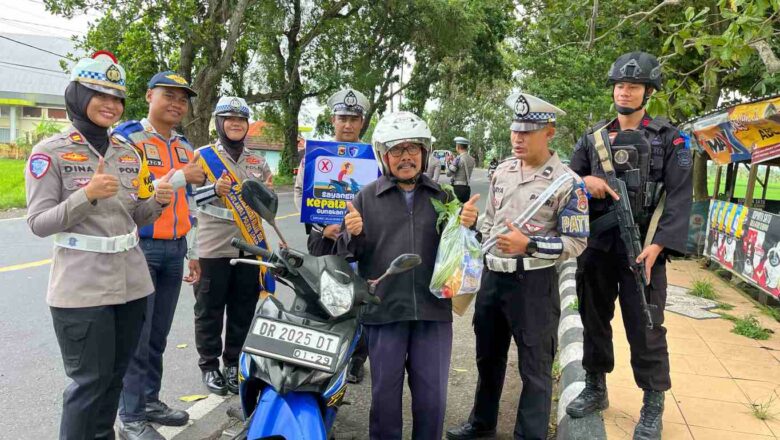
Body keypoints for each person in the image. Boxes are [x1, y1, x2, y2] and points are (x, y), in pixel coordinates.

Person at [25, 52, 174, 440]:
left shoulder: (128, 151)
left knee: (114, 379)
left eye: (117, 98)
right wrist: (85, 196)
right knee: (88, 385)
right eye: (99, 94)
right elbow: (39, 224)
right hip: (82, 288)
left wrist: (157, 201)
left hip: (132, 284)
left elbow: (135, 217)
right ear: (77, 95)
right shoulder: (50, 152)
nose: (111, 105)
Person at [565, 52, 692, 440]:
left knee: (647, 327)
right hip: (599, 246)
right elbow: (566, 182)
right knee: (593, 320)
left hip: (644, 251)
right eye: (620, 85)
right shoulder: (593, 138)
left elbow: (680, 196)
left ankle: (652, 405)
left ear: (648, 92)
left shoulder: (671, 138)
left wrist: (659, 246)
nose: (625, 91)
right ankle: (595, 386)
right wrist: (586, 181)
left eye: (633, 86)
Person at [447, 93, 589, 440]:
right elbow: (491, 226)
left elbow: (577, 242)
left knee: (535, 367)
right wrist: (470, 222)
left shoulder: (568, 183)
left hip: (534, 284)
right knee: (488, 358)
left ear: (549, 132)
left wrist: (531, 244)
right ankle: (482, 423)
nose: (518, 138)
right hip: (493, 279)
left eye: (528, 132)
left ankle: (529, 435)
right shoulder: (503, 172)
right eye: (515, 131)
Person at [338, 111, 479, 440]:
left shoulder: (443, 197)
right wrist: (352, 234)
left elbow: (463, 253)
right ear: (383, 156)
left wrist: (470, 226)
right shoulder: (366, 197)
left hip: (433, 313)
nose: (406, 157)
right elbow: (348, 254)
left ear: (424, 153)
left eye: (413, 149)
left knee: (432, 401)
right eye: (397, 150)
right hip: (384, 312)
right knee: (384, 400)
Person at [112, 71, 206, 440]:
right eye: (169, 95)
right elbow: (134, 189)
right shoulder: (127, 138)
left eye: (183, 98)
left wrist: (194, 250)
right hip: (140, 246)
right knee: (137, 334)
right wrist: (181, 175)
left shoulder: (185, 145)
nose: (177, 103)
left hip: (175, 248)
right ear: (150, 95)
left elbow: (192, 202)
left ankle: (149, 401)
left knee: (158, 335)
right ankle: (131, 417)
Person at [193, 96, 275, 396]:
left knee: (243, 308)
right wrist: (213, 189)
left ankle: (233, 362)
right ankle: (210, 366)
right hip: (214, 245)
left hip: (249, 247)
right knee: (209, 310)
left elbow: (268, 204)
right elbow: (189, 198)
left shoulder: (258, 161)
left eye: (241, 120)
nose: (236, 124)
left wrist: (267, 194)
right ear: (220, 123)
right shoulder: (202, 157)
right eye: (230, 119)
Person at [293, 87, 371, 383]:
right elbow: (302, 194)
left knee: (358, 298)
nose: (348, 124)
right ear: (332, 120)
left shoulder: (371, 156)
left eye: (353, 118)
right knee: (320, 294)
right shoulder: (314, 155)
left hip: (359, 240)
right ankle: (320, 356)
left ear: (361, 122)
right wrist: (321, 226)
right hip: (323, 238)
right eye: (342, 118)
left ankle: (356, 359)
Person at [447, 136, 475, 203]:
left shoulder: (458, 159)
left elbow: (449, 173)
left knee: (456, 210)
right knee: (463, 210)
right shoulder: (472, 159)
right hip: (466, 188)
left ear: (458, 147)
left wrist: (448, 162)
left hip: (457, 188)